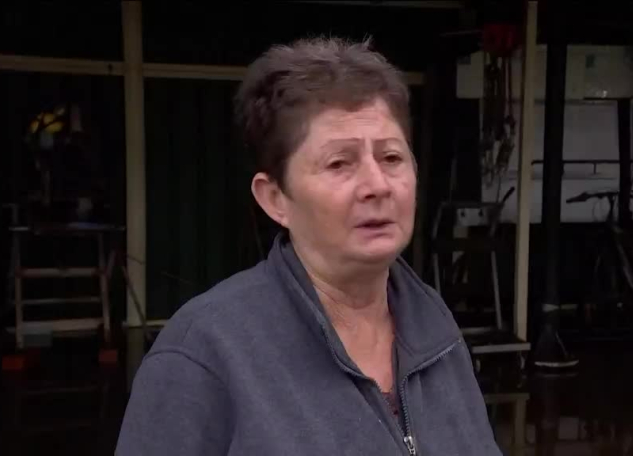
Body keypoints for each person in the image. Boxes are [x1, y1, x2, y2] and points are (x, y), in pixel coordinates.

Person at [116, 37, 502, 455]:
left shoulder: (434, 328)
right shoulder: (205, 354)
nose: (377, 185)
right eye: (339, 163)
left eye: (391, 158)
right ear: (275, 199)